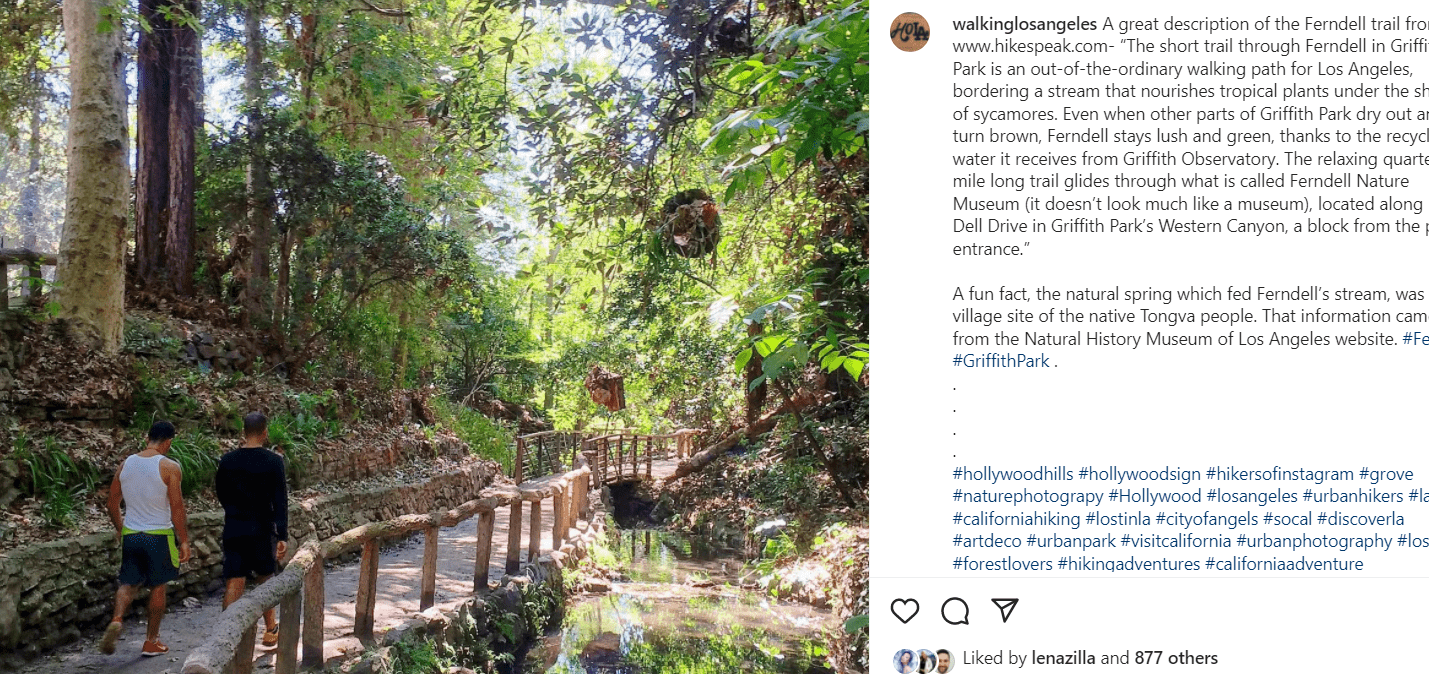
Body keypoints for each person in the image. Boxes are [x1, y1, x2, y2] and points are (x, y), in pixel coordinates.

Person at [99, 421, 192, 656]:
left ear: (147, 438)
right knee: (157, 586)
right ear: (169, 441)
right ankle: (151, 641)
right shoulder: (169, 467)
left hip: (132, 535)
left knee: (128, 582)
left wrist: (121, 528)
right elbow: (177, 508)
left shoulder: (126, 464)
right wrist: (184, 540)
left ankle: (117, 619)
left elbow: (111, 503)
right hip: (158, 535)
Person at [216, 412, 289, 648]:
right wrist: (282, 534)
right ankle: (270, 629)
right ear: (265, 432)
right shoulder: (274, 461)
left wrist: (235, 511)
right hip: (262, 527)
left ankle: (224, 634)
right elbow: (280, 500)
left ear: (243, 432)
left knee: (234, 580)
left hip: (235, 526)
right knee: (265, 578)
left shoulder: (227, 461)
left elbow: (221, 493)